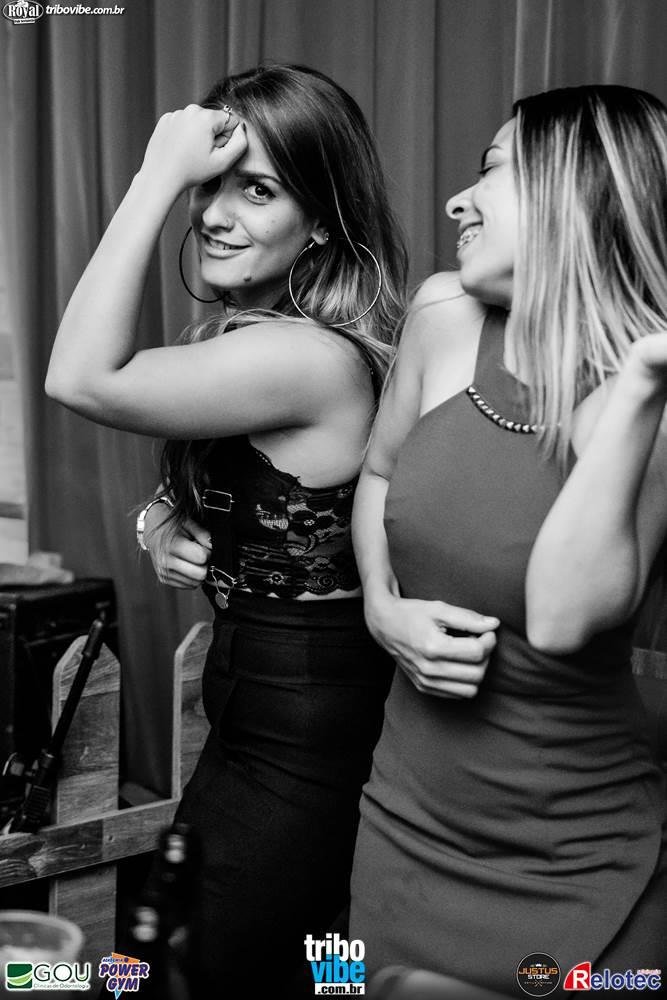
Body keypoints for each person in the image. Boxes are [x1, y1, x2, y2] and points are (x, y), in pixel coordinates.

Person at [44, 63, 426, 996]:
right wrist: (162, 515)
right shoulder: (251, 335)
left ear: (322, 220)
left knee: (171, 975)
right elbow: (264, 490)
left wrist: (156, 175)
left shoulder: (307, 356)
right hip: (258, 728)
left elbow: (78, 378)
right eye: (207, 184)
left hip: (300, 752)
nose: (213, 214)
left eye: (256, 191)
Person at [349, 84, 667, 996]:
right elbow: (378, 477)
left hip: (575, 855)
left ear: (575, 193)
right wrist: (381, 608)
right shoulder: (441, 316)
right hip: (405, 821)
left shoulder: (647, 406)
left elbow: (563, 619)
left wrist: (641, 382)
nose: (457, 200)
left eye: (492, 171)